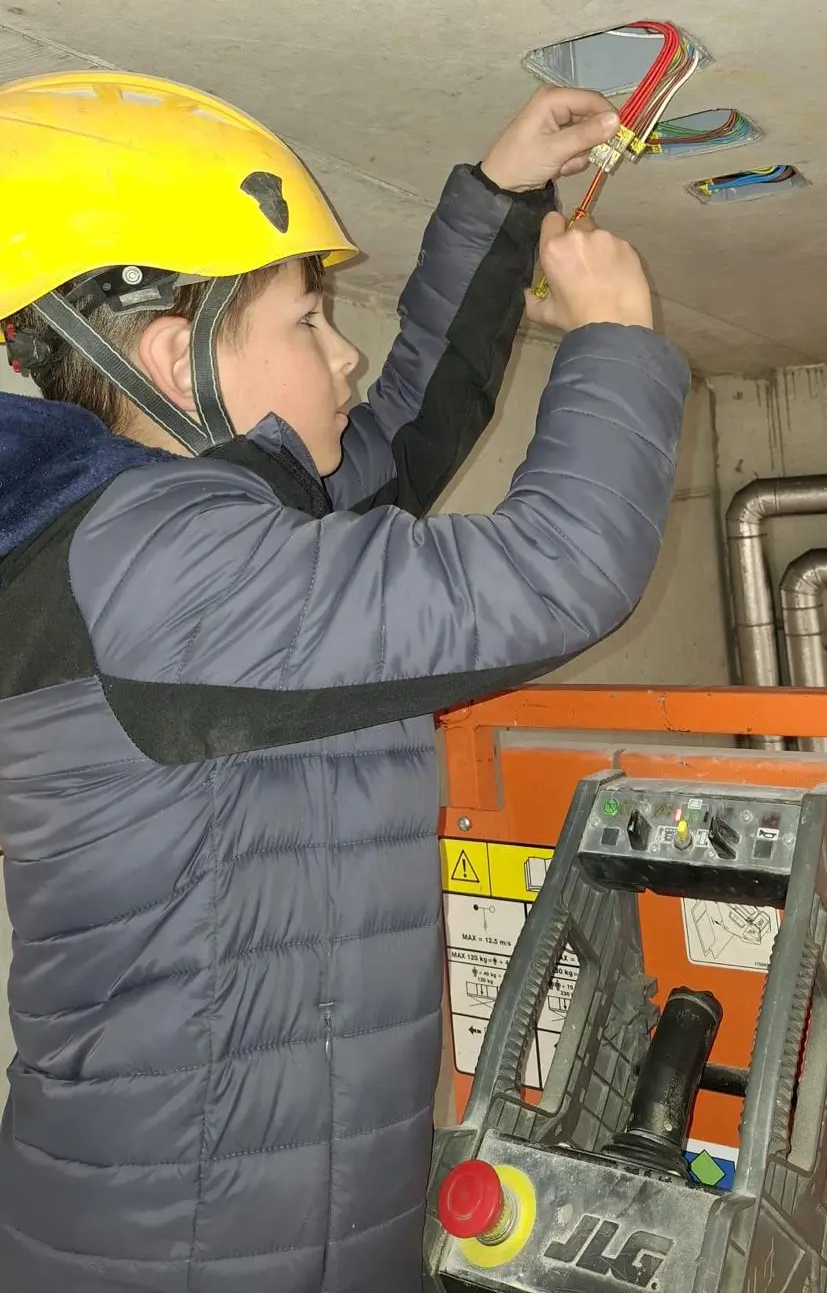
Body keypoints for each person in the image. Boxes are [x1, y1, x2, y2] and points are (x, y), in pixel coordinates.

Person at [0, 69, 691, 1292]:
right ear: (176, 356)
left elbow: (403, 440)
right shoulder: (161, 573)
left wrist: (502, 201)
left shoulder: (174, 545)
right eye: (308, 321)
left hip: (268, 1231)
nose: (345, 347)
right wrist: (615, 342)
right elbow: (559, 570)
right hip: (175, 1261)